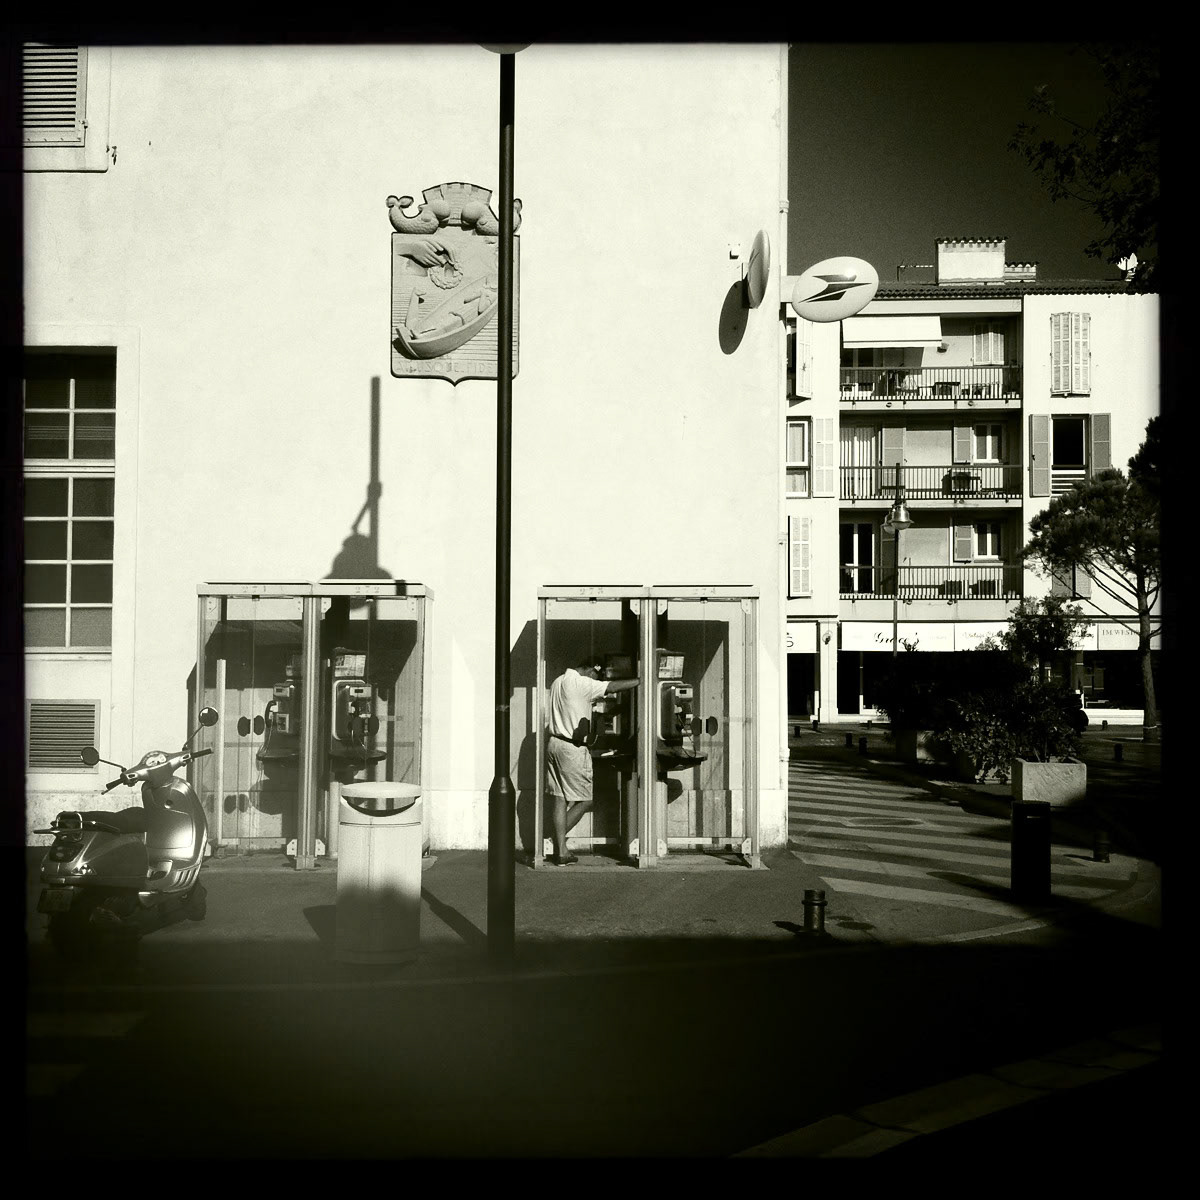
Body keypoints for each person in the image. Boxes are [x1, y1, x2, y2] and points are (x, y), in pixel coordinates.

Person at [545, 658, 639, 865]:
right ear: (591, 670)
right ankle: (554, 841)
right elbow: (612, 687)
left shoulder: (558, 681)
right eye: (598, 675)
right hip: (572, 748)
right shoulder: (581, 683)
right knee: (585, 800)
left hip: (554, 743)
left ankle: (561, 851)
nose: (597, 680)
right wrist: (641, 681)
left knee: (560, 798)